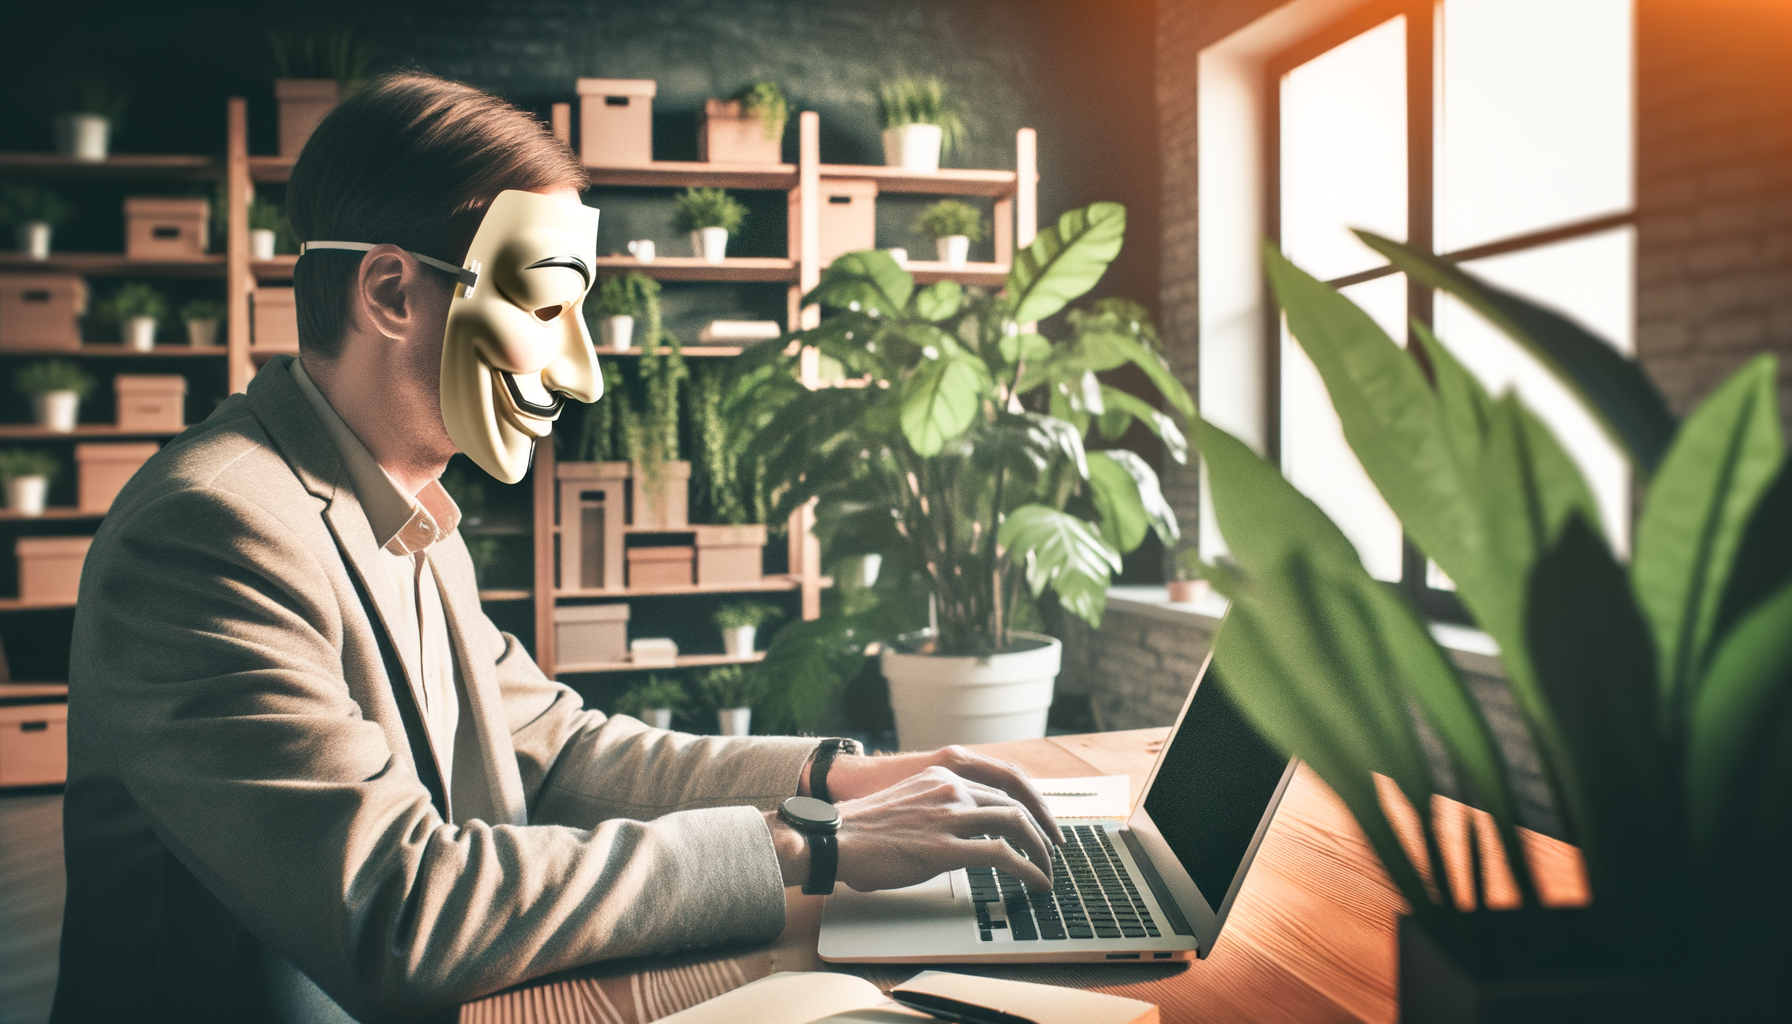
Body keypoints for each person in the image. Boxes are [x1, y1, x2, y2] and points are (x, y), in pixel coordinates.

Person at [52, 74, 1059, 1024]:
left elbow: (563, 753)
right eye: (544, 307)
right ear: (391, 294)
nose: (579, 375)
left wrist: (846, 780)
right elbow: (399, 909)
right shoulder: (210, 533)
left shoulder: (406, 506)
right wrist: (810, 844)